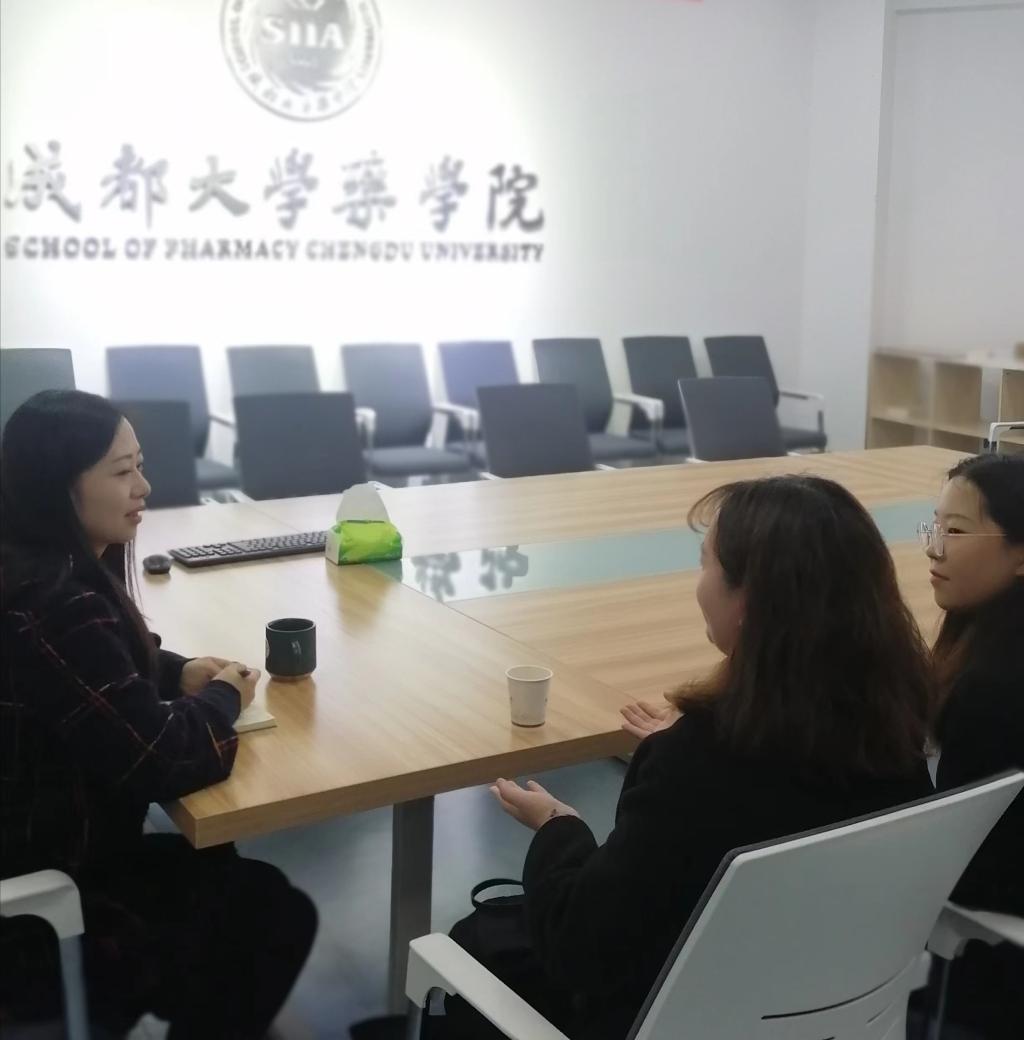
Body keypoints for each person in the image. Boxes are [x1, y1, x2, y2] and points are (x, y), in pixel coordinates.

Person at [437, 475, 935, 1040]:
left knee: (476, 943)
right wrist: (678, 744)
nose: (698, 584)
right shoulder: (895, 734)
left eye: (705, 564)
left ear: (749, 600)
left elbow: (581, 949)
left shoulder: (695, 762)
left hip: (662, 1019)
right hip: (827, 1013)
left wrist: (559, 826)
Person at [0, 390, 317, 1039]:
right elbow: (164, 758)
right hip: (40, 910)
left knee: (224, 869)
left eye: (140, 465)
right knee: (273, 916)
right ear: (58, 488)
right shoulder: (55, 603)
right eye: (122, 471)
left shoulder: (29, 569)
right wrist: (222, 696)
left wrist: (175, 671)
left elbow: (88, 670)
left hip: (39, 848)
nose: (144, 486)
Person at [921, 452, 1024, 1038]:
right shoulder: (988, 641)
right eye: (933, 526)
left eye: (956, 532)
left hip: (987, 962)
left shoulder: (992, 687)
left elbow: (960, 861)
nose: (933, 549)